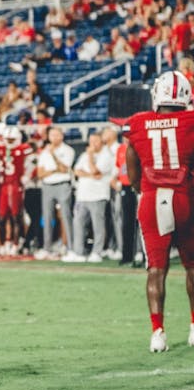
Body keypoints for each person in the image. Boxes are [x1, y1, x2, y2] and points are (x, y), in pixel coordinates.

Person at [125, 71, 194, 352]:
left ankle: (158, 332)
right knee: (192, 266)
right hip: (184, 198)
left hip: (152, 199)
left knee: (156, 269)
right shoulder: (190, 121)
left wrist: (138, 187)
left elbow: (131, 169)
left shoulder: (138, 123)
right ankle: (193, 328)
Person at [65, 132, 114, 262]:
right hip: (82, 195)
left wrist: (91, 157)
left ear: (102, 142)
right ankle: (78, 252)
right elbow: (76, 171)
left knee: (98, 226)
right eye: (91, 141)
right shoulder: (84, 155)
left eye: (95, 141)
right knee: (78, 223)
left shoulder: (106, 155)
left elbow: (95, 171)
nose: (92, 144)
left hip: (98, 195)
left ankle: (97, 252)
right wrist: (90, 175)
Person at [35, 127, 75, 259]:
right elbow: (40, 173)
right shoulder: (44, 152)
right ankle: (47, 247)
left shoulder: (68, 150)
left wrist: (53, 156)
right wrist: (54, 170)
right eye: (52, 135)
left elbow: (65, 169)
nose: (54, 137)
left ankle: (70, 247)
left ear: (62, 136)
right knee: (47, 217)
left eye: (57, 135)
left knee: (66, 216)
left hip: (62, 184)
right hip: (47, 186)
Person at [0, 126, 33, 256]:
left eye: (12, 139)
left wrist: (27, 176)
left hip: (16, 185)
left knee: (16, 216)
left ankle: (16, 243)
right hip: (4, 186)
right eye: (8, 139)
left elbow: (31, 164)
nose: (10, 142)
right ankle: (4, 243)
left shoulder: (23, 149)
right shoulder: (1, 149)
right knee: (1, 217)